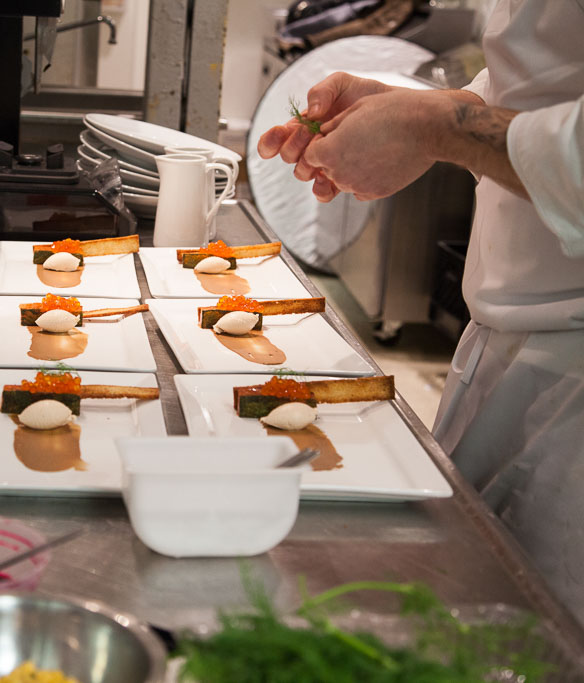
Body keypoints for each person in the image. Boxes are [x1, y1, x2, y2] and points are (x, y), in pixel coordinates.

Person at [258, 0, 584, 627]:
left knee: (544, 643)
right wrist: (423, 112)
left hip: (574, 382)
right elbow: (547, 77)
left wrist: (438, 128)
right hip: (506, 344)